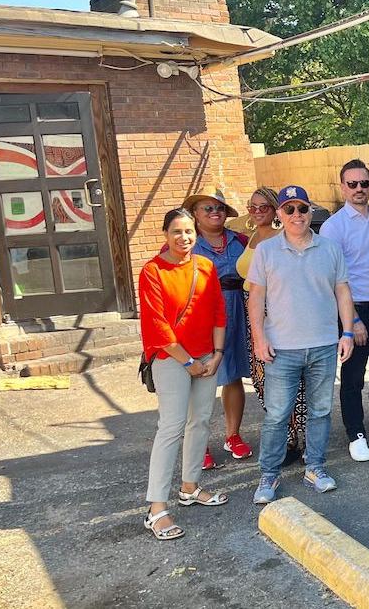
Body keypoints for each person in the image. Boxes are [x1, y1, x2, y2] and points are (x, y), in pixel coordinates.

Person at [248, 185, 356, 504]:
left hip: (323, 345)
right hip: (281, 349)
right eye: (290, 209)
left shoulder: (330, 248)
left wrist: (347, 332)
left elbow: (343, 292)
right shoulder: (266, 251)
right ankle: (268, 476)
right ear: (279, 214)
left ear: (311, 212)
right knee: (277, 415)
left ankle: (316, 467)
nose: (297, 215)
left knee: (320, 411)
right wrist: (258, 337)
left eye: (303, 209)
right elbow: (256, 297)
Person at [140, 208, 229, 541]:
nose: (184, 238)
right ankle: (156, 509)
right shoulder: (152, 271)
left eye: (189, 231)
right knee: (172, 427)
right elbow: (157, 325)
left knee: (201, 420)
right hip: (171, 358)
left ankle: (190, 487)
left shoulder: (204, 266)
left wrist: (218, 354)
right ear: (165, 234)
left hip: (207, 356)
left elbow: (219, 310)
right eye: (177, 231)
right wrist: (188, 360)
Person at [320, 160, 369, 463]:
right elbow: (334, 279)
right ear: (343, 187)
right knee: (353, 377)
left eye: (364, 183)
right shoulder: (333, 227)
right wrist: (352, 320)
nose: (358, 189)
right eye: (352, 184)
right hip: (353, 310)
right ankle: (355, 434)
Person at [181, 190, 252, 469]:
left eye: (220, 207)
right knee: (200, 378)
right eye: (207, 208)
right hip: (201, 313)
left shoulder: (240, 241)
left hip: (237, 309)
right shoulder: (186, 244)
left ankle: (232, 435)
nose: (215, 212)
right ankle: (200, 443)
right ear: (195, 215)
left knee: (232, 375)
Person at [238, 187, 307, 466]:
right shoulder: (252, 236)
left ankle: (298, 439)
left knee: (285, 377)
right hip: (250, 312)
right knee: (261, 379)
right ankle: (286, 435)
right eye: (252, 206)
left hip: (274, 311)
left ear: (275, 210)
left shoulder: (283, 237)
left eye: (263, 206)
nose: (257, 211)